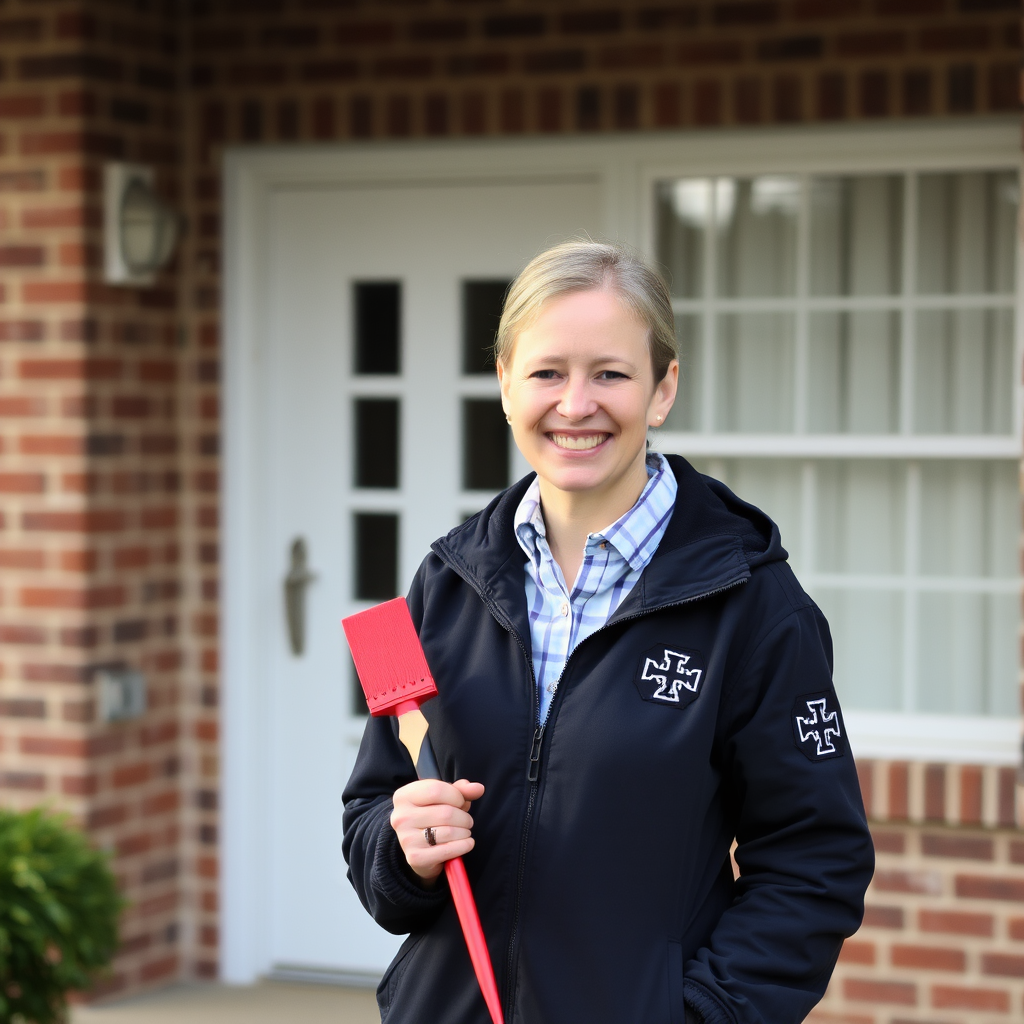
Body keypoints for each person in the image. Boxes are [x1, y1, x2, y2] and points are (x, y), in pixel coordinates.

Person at [343, 239, 874, 1024]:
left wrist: (701, 1015)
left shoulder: (754, 602)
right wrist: (402, 852)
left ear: (663, 390)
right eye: (547, 372)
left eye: (611, 374)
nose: (576, 403)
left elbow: (814, 862)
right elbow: (369, 811)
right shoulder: (442, 583)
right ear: (504, 384)